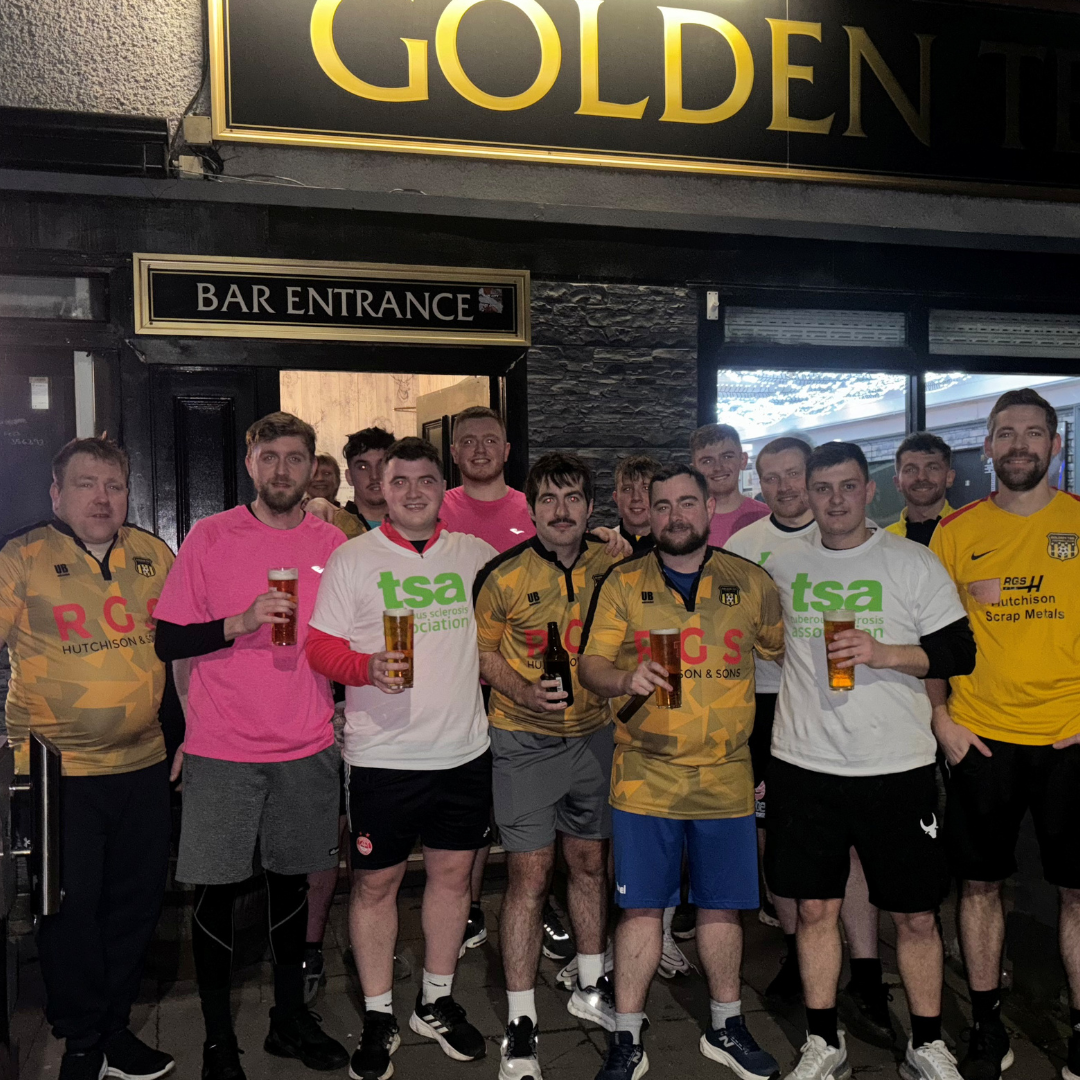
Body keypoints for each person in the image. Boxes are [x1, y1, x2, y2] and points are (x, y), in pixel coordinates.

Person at [764, 441, 975, 1080]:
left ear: (870, 490)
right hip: (804, 762)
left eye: (847, 486)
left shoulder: (912, 562)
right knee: (814, 910)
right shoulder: (781, 564)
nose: (835, 500)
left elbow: (959, 652)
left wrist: (885, 654)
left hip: (897, 764)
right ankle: (823, 1040)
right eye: (822, 488)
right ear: (807, 493)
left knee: (915, 914)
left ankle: (927, 1043)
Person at [153, 412, 349, 1080]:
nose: (281, 470)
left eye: (294, 458)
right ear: (250, 463)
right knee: (215, 893)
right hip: (224, 748)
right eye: (269, 457)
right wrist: (238, 621)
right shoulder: (210, 536)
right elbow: (168, 640)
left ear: (311, 467)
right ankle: (218, 1041)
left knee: (292, 886)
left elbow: (351, 633)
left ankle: (288, 1020)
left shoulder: (332, 541)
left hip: (306, 744)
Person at [579, 463, 784, 1080]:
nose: (675, 515)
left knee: (722, 909)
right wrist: (623, 678)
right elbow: (590, 665)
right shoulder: (622, 581)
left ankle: (726, 1025)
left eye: (687, 503)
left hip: (725, 774)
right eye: (663, 505)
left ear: (709, 507)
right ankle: (626, 1035)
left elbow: (785, 650)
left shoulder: (750, 581)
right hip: (645, 775)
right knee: (641, 910)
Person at [306, 436, 497, 1080]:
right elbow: (319, 648)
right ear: (380, 489)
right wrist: (365, 667)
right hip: (383, 756)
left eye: (425, 480)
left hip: (464, 750)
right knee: (375, 885)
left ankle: (436, 1002)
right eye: (399, 481)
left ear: (442, 488)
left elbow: (515, 622)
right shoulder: (353, 558)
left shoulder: (476, 555)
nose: (413, 492)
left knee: (452, 880)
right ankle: (379, 1013)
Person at [0, 437, 179, 1080]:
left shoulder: (155, 556)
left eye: (114, 486)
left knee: (134, 907)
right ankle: (80, 1040)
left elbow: (186, 648)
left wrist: (190, 733)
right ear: (57, 494)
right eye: (86, 484)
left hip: (145, 764)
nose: (102, 498)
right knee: (69, 912)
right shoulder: (21, 557)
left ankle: (115, 1031)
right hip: (57, 774)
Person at [928, 388, 1080, 1080]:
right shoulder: (956, 532)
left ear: (1056, 444)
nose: (1019, 444)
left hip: (1069, 740)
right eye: (1006, 433)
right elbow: (933, 640)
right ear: (987, 446)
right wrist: (941, 720)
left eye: (1033, 432)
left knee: (1077, 892)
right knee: (980, 886)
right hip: (982, 738)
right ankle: (987, 1021)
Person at [728, 439, 893, 1043]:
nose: (784, 487)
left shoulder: (864, 540)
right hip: (765, 707)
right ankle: (803, 958)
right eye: (770, 478)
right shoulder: (744, 547)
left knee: (851, 846)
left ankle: (867, 974)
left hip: (846, 702)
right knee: (777, 838)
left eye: (793, 475)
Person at [473, 452, 621, 1080]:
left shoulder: (614, 563)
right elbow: (482, 650)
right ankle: (520, 1020)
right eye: (549, 499)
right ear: (530, 509)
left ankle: (590, 986)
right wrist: (524, 690)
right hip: (524, 742)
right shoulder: (501, 573)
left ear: (590, 508)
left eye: (573, 498)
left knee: (588, 864)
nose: (562, 511)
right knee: (530, 878)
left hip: (595, 737)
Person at [689, 424, 770, 547]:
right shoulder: (685, 522)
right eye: (707, 461)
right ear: (695, 470)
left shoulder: (768, 518)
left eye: (727, 457)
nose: (718, 467)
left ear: (743, 460)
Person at [886, 432, 956, 546]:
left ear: (949, 478)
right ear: (897, 482)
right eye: (910, 470)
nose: (921, 477)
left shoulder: (971, 530)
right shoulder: (884, 542)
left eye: (932, 468)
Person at [613, 455, 661, 555]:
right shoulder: (600, 547)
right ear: (616, 497)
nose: (636, 498)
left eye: (646, 488)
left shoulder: (676, 547)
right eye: (627, 489)